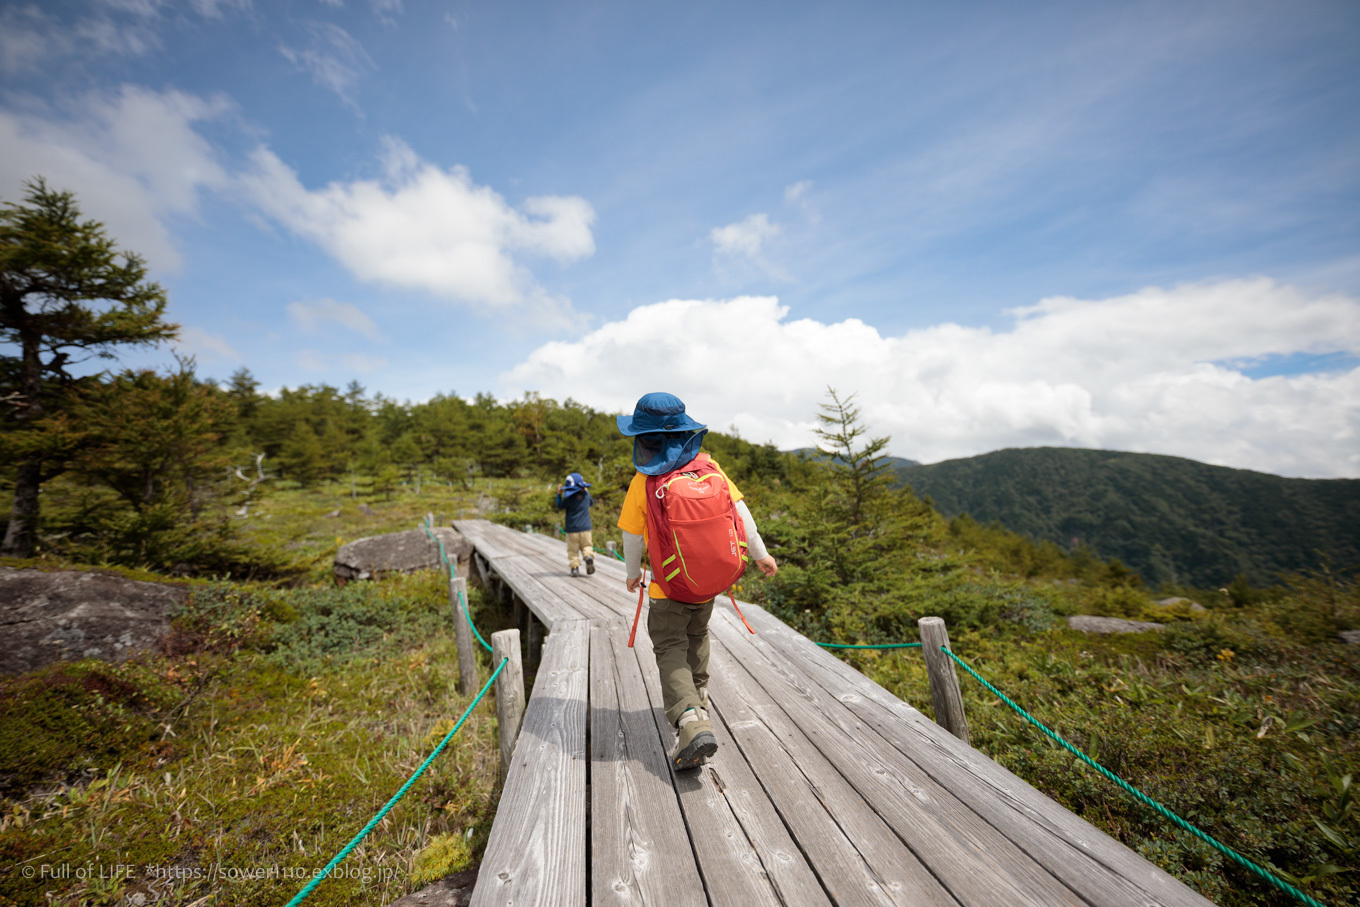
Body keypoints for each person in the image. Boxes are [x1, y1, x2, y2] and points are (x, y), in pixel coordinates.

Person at [616, 392, 777, 769]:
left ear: (645, 440)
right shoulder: (711, 468)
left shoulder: (644, 480)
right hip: (706, 584)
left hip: (667, 587)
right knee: (697, 637)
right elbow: (742, 517)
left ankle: (689, 719)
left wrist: (632, 572)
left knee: (669, 646)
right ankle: (698, 700)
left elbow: (631, 536)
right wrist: (761, 555)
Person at [555, 472, 595, 577]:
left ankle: (574, 568)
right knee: (587, 546)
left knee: (573, 551)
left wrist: (559, 494)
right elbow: (591, 502)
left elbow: (559, 505)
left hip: (572, 530)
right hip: (586, 528)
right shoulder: (586, 496)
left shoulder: (568, 498)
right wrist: (586, 491)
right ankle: (588, 556)